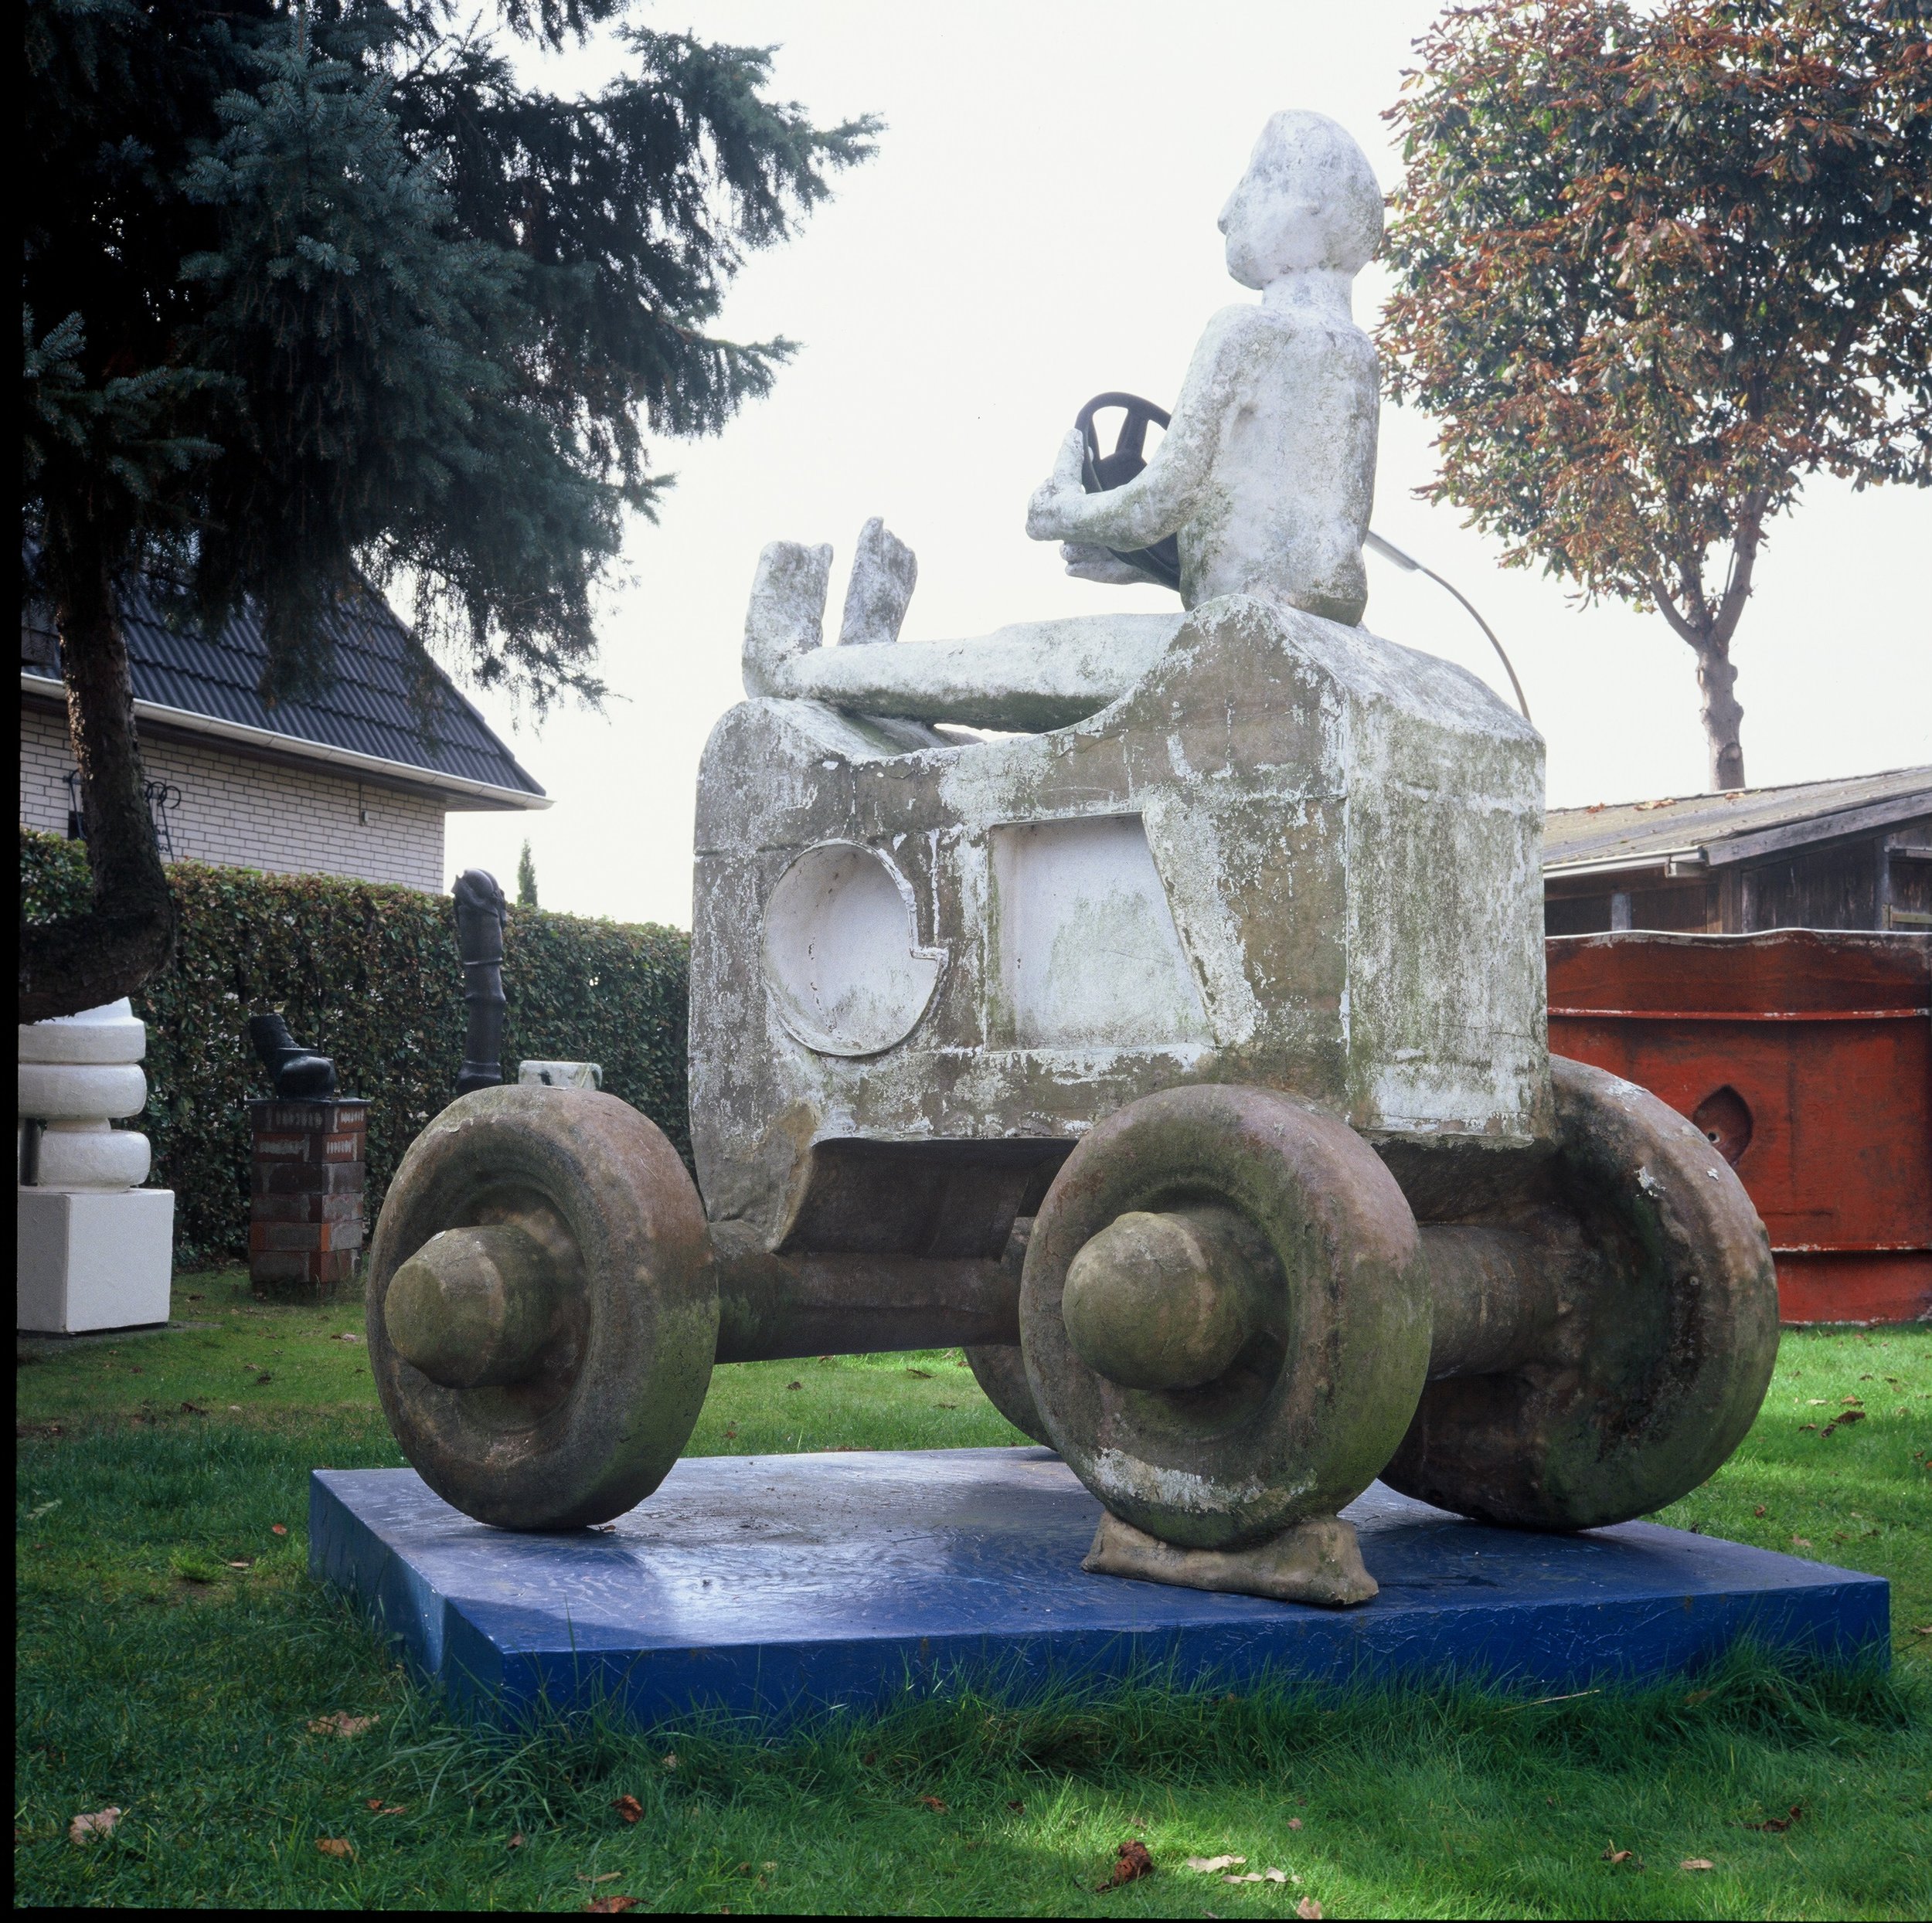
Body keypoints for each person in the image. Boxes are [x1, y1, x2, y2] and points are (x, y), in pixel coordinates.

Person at [1029, 109, 1382, 626]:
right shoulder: (1358, 355)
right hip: (1331, 618)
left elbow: (1159, 503)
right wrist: (1149, 566)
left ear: (1310, 207)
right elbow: (1291, 546)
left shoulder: (1246, 332)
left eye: (1253, 181)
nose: (1225, 211)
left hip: (1242, 623)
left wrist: (1060, 512)